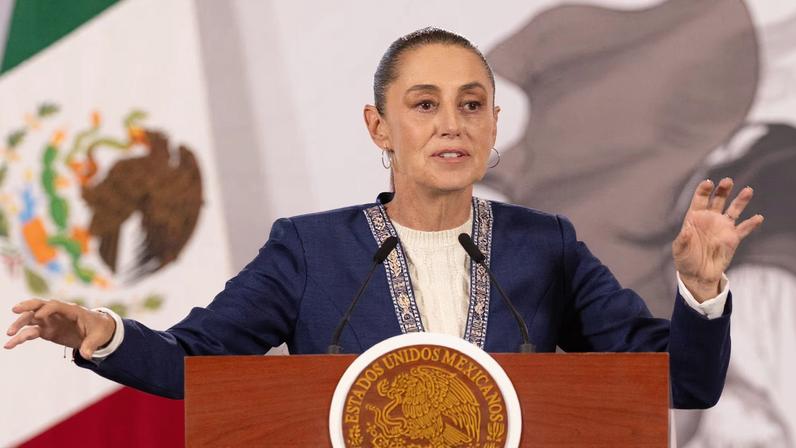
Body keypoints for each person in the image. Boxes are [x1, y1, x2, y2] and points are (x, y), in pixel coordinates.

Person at [4, 28, 763, 407]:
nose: (452, 125)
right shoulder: (308, 249)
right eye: (424, 105)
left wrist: (700, 293)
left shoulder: (548, 245)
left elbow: (681, 385)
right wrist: (101, 334)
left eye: (472, 106)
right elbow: (196, 364)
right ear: (378, 127)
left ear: (495, 125)